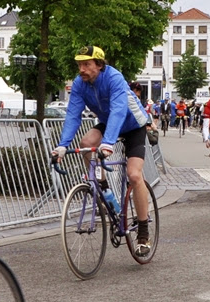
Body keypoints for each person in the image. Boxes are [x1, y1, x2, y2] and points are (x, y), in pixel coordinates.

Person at [51, 46, 152, 256]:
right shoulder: (80, 83)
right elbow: (73, 115)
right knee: (87, 143)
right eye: (79, 64)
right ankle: (102, 185)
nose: (82, 69)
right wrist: (63, 145)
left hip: (132, 124)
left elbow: (118, 110)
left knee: (134, 175)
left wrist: (108, 143)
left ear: (99, 64)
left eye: (87, 64)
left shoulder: (114, 78)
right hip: (109, 122)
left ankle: (143, 232)